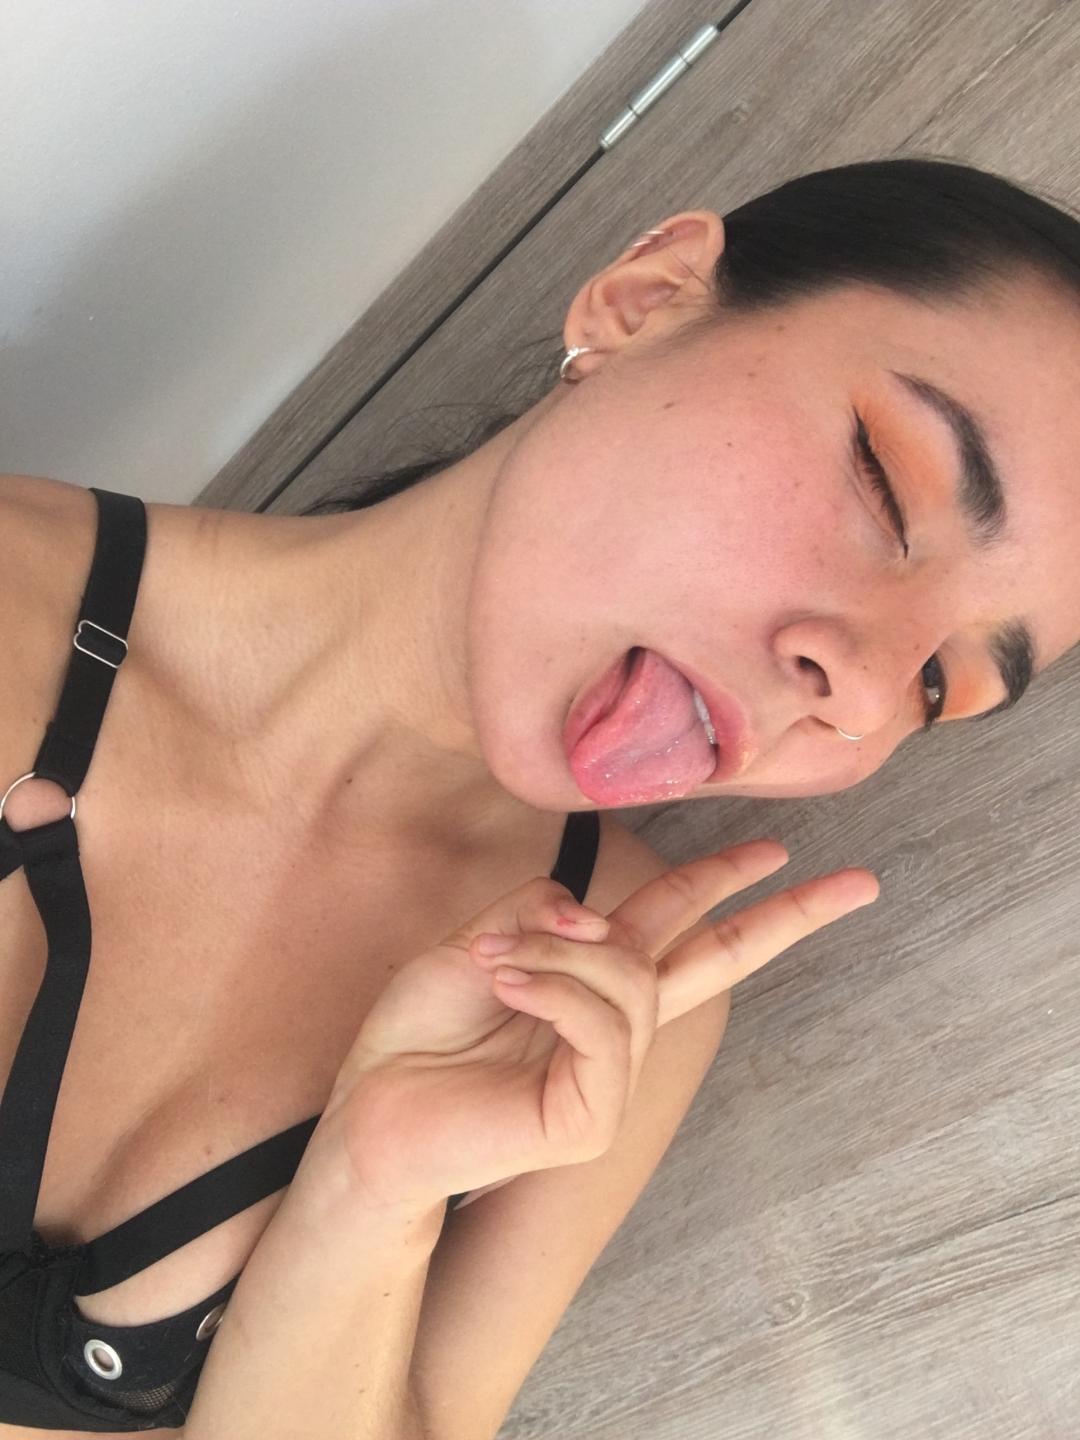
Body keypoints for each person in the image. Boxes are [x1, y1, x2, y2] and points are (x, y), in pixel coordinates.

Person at [1, 154, 1078, 1436]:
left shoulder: (621, 990)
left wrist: (370, 1196)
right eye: (889, 484)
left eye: (942, 686)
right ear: (644, 301)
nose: (863, 682)